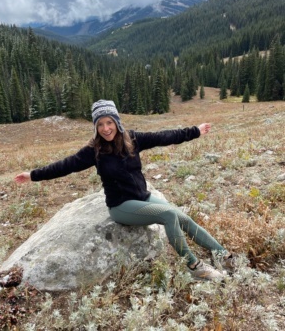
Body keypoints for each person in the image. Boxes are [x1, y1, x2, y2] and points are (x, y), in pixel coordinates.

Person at [15, 99, 234, 281]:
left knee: (183, 218)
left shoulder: (132, 139)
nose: (105, 129)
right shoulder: (93, 150)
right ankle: (195, 267)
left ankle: (223, 255)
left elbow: (164, 137)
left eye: (109, 122)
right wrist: (33, 175)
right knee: (169, 215)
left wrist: (194, 131)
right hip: (121, 206)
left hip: (143, 197)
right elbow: (65, 165)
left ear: (117, 122)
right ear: (95, 127)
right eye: (100, 124)